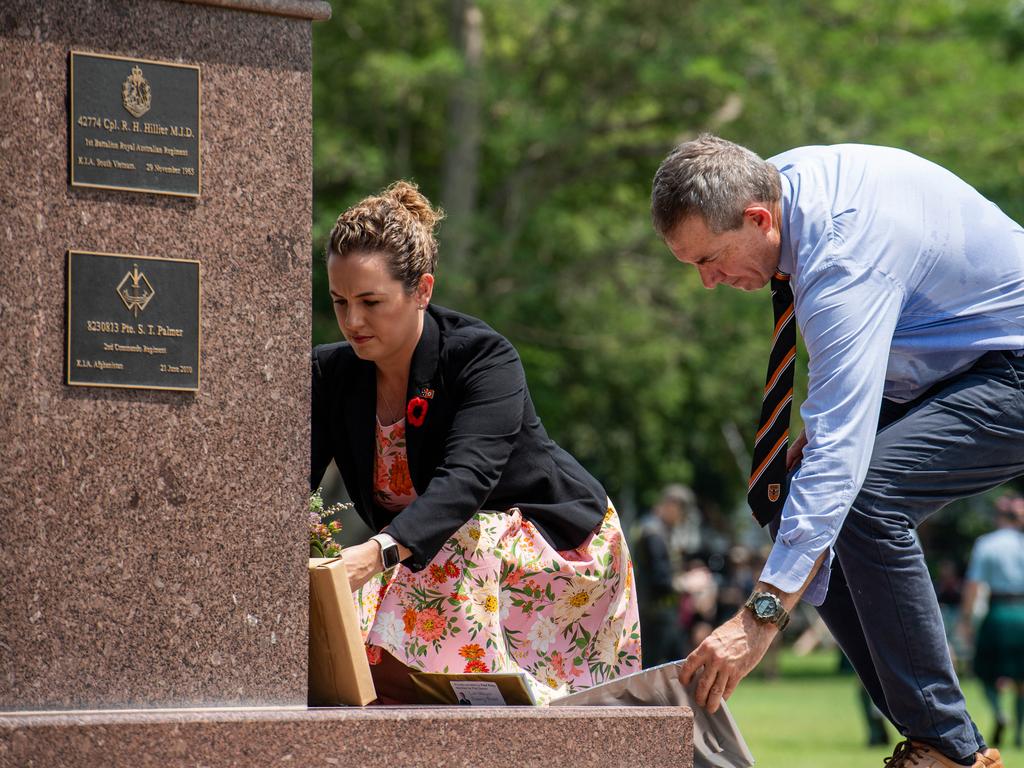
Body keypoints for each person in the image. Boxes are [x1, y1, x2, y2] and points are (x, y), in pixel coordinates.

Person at [650, 135, 1023, 767]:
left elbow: (841, 463)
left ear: (758, 218)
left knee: (863, 494)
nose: (708, 282)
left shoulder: (842, 257)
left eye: (710, 260)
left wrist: (758, 619)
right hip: (945, 365)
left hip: (1009, 365)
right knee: (789, 494)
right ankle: (940, 740)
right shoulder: (781, 184)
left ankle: (949, 751)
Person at [311, 181, 641, 704]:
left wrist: (372, 556)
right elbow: (290, 487)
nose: (352, 321)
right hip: (428, 559)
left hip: (557, 547)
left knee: (453, 546)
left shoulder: (484, 358)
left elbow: (466, 483)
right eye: (339, 302)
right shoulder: (330, 374)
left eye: (371, 301)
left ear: (422, 290)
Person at [959, 494, 1024, 749]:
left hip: (997, 613)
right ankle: (1019, 732)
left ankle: (999, 712)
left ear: (999, 517)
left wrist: (965, 620)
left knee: (984, 671)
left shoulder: (986, 543)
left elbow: (974, 586)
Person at [632, 483, 694, 665]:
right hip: (655, 613)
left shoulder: (656, 529)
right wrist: (687, 584)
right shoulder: (654, 533)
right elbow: (659, 578)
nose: (682, 518)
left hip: (661, 612)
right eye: (682, 511)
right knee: (656, 667)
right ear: (672, 506)